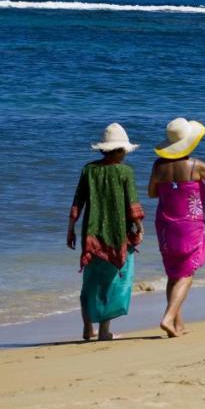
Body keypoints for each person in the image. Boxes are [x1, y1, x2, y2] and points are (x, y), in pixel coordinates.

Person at [148, 117, 205, 338]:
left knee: (173, 272)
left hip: (165, 223)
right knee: (187, 273)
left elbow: (152, 193)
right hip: (189, 225)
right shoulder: (196, 165)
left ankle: (178, 325)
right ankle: (168, 317)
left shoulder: (158, 166)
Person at [67, 123, 145, 341]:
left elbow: (77, 202)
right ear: (119, 150)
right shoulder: (125, 172)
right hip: (117, 235)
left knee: (90, 281)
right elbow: (132, 206)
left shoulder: (89, 170)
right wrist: (139, 228)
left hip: (91, 235)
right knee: (113, 282)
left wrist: (71, 229)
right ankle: (103, 331)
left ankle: (86, 327)